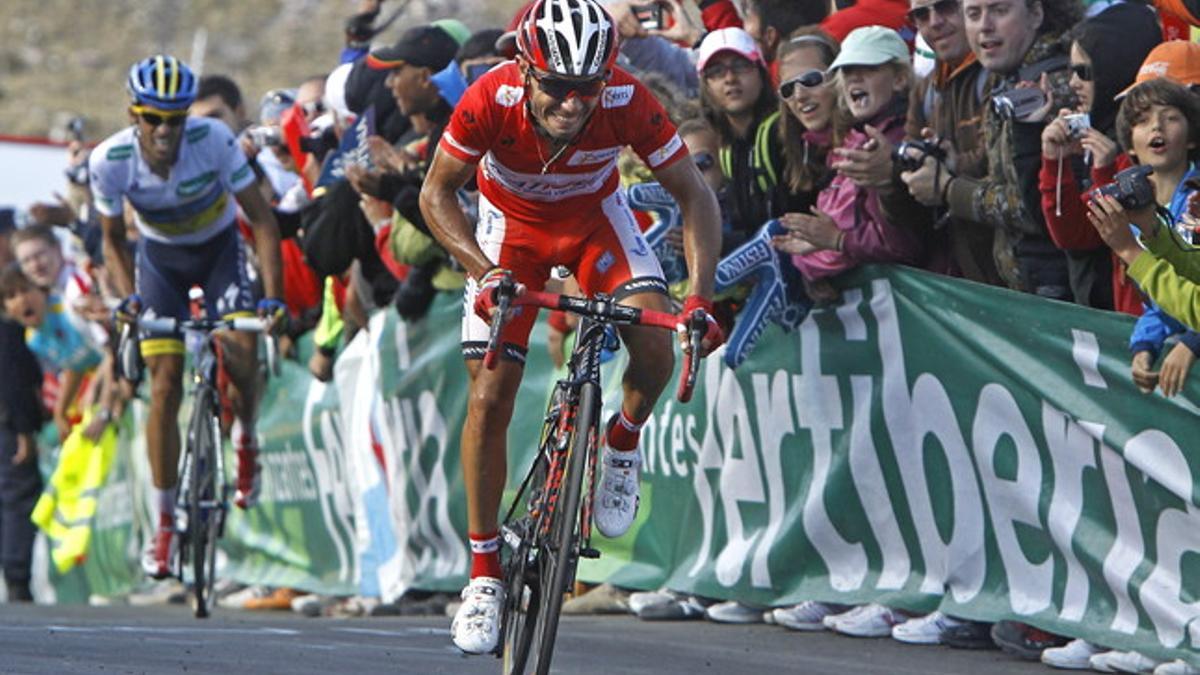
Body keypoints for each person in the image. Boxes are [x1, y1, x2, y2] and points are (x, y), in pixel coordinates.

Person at [419, 0, 723, 654]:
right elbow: (434, 193)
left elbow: (694, 194)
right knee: (490, 395)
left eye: (586, 87)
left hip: (595, 223)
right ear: (525, 68)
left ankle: (621, 439)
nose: (572, 102)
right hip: (510, 237)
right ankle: (482, 575)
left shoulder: (623, 95)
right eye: (556, 86)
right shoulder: (489, 97)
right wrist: (481, 267)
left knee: (654, 338)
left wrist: (698, 295)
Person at [88, 55, 285, 579]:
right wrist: (127, 297)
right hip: (160, 264)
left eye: (175, 118)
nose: (164, 130)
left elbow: (263, 222)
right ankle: (164, 523)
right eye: (153, 118)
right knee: (165, 383)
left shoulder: (214, 141)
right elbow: (111, 239)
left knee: (242, 353)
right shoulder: (109, 160)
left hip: (220, 251)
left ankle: (244, 434)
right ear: (135, 116)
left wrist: (273, 297)